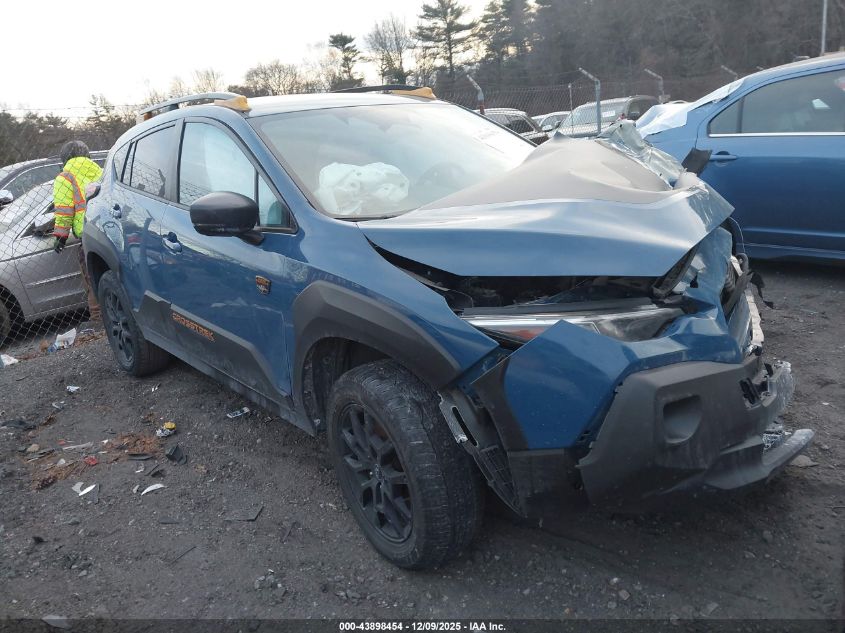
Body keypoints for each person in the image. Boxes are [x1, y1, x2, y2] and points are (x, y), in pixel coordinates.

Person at [52, 140, 103, 321]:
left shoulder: (64, 178)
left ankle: (98, 318)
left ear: (64, 158)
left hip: (87, 235)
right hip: (105, 228)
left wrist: (60, 236)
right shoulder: (99, 170)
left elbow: (65, 211)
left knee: (91, 279)